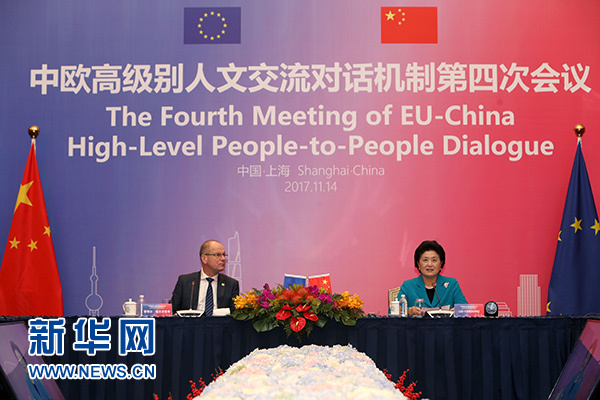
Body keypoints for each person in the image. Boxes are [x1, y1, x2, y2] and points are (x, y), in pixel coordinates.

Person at [397, 240, 467, 316]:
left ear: (441, 264)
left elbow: (466, 309)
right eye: (425, 260)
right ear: (418, 264)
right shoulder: (408, 286)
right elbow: (393, 310)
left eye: (434, 260)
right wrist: (408, 311)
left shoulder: (451, 284)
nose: (430, 264)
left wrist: (458, 311)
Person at [171, 240, 240, 315]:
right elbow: (173, 310)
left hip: (219, 322)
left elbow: (235, 314)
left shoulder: (231, 284)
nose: (223, 258)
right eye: (217, 255)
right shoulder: (185, 281)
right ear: (204, 258)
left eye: (224, 255)